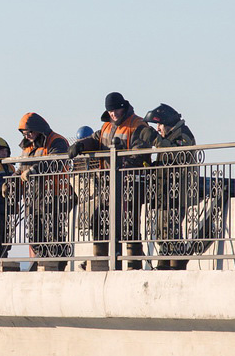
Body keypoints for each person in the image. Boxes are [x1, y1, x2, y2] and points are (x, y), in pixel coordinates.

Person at [67, 92, 153, 270]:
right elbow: (95, 139)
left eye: (116, 110)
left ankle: (133, 264)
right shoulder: (106, 127)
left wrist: (121, 164)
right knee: (100, 218)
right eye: (110, 111)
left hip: (131, 183)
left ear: (124, 107)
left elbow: (141, 151)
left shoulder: (137, 125)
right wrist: (81, 145)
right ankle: (100, 260)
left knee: (129, 223)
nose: (113, 114)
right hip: (107, 184)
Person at [143, 104, 197, 270]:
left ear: (167, 123)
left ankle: (176, 267)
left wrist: (156, 139)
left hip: (177, 192)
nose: (158, 129)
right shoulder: (169, 136)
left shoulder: (183, 134)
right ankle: (163, 265)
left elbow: (177, 154)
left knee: (171, 231)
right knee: (161, 232)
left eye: (159, 125)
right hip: (164, 191)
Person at [18, 113, 72, 271]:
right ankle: (43, 262)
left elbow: (56, 162)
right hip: (33, 197)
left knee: (54, 234)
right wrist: (11, 183)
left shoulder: (57, 141)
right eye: (24, 133)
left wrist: (34, 170)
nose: (27, 136)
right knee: (35, 235)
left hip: (54, 195)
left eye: (29, 132)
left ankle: (59, 266)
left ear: (38, 129)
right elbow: (21, 168)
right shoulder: (27, 146)